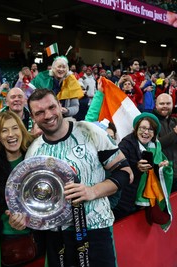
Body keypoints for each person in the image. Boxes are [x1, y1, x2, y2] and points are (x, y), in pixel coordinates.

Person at [23, 89, 133, 267]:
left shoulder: (90, 131)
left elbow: (126, 172)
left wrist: (92, 191)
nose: (48, 115)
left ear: (60, 106)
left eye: (52, 107)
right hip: (57, 234)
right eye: (40, 112)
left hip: (95, 227)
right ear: (33, 118)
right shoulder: (34, 152)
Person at [0, 111, 36, 266]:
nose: (11, 134)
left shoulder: (36, 157)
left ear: (22, 131)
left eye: (15, 128)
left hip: (39, 238)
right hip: (6, 241)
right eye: (4, 130)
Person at [113, 112, 173, 221]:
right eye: (142, 128)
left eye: (150, 129)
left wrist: (159, 167)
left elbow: (153, 171)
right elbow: (117, 172)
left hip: (142, 202)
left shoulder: (155, 145)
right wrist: (137, 169)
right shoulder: (125, 145)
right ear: (136, 129)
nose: (146, 132)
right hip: (124, 202)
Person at [153, 93, 177, 191]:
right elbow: (155, 144)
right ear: (156, 105)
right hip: (161, 174)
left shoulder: (174, 121)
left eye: (168, 103)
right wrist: (174, 133)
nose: (165, 106)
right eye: (162, 103)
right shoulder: (151, 122)